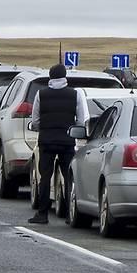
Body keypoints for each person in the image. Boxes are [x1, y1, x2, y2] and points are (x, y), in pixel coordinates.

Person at [28, 63, 90, 225]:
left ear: (50, 76)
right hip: (67, 141)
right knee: (69, 177)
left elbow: (35, 120)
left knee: (45, 177)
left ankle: (42, 214)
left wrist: (43, 128)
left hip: (46, 141)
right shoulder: (75, 94)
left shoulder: (41, 94)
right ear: (65, 77)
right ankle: (71, 214)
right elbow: (82, 120)